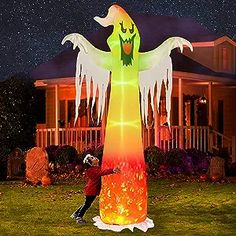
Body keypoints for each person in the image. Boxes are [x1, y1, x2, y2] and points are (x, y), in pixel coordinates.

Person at [71, 154, 120, 224]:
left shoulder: (95, 168)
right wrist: (113, 170)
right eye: (92, 158)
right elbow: (102, 172)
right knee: (87, 204)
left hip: (91, 190)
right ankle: (79, 217)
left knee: (86, 204)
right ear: (91, 163)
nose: (94, 158)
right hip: (91, 191)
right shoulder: (92, 170)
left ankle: (75, 214)